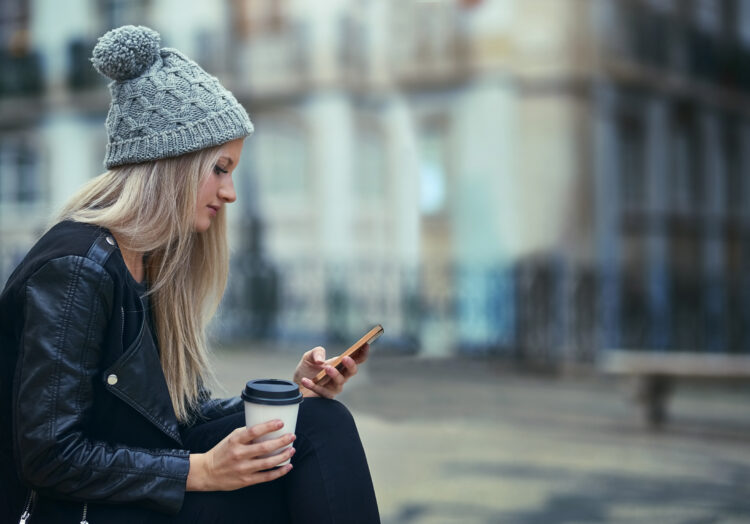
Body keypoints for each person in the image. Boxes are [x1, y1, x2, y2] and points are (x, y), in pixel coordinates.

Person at [0, 25, 380, 524]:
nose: (230, 193)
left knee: (316, 423)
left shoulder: (149, 260)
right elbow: (49, 456)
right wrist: (196, 471)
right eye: (220, 169)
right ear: (171, 163)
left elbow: (174, 416)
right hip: (74, 510)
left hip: (128, 492)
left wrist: (289, 398)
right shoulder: (76, 269)